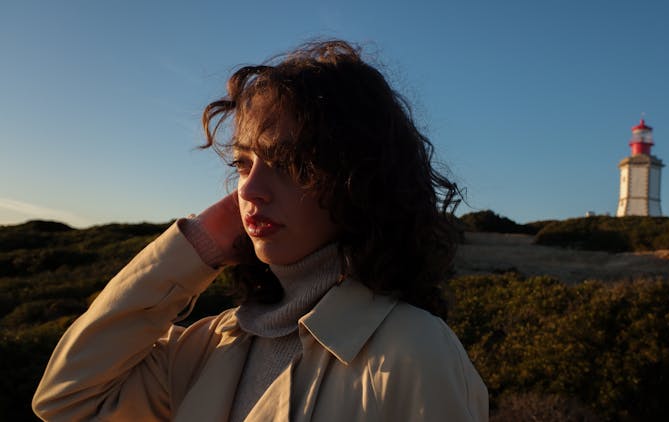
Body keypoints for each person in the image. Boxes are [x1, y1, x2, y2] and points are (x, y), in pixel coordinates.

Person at [32, 40, 488, 421]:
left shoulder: (413, 351)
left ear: (360, 181)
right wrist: (196, 246)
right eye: (243, 164)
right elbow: (66, 400)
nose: (249, 190)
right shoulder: (213, 342)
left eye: (290, 164)